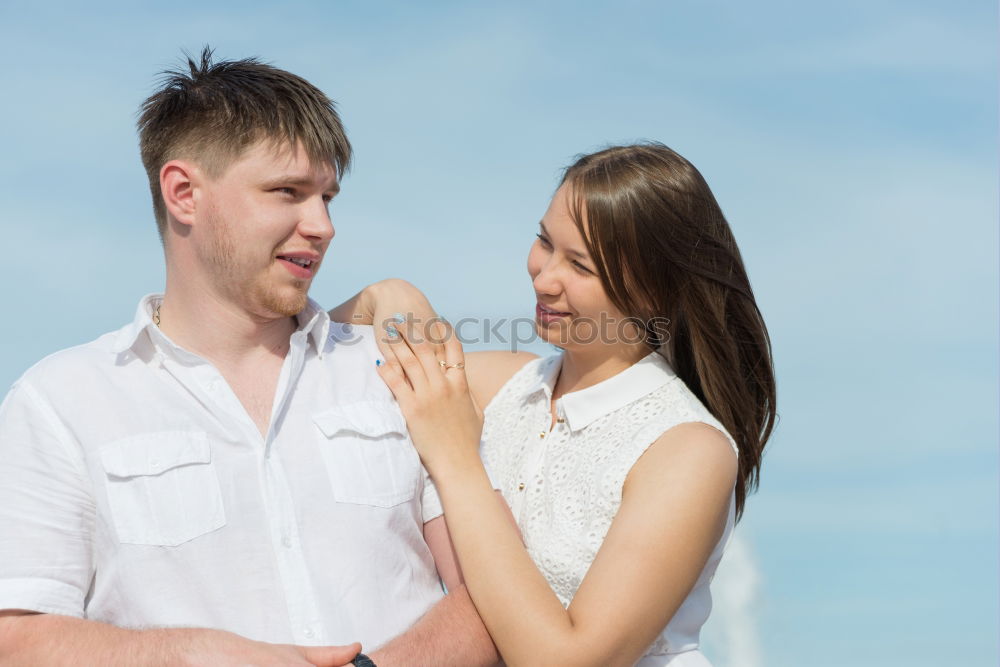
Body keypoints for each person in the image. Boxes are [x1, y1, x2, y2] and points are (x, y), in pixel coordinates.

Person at [0, 48, 499, 666]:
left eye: (327, 197)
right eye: (286, 191)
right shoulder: (60, 402)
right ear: (184, 193)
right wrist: (199, 655)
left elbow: (493, 589)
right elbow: (19, 639)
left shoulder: (394, 369)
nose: (322, 225)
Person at [345, 143, 777, 666]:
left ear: (656, 292)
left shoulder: (688, 450)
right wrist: (381, 295)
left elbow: (568, 659)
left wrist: (457, 461)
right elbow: (318, 369)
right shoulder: (501, 385)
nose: (544, 277)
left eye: (580, 266)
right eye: (544, 242)